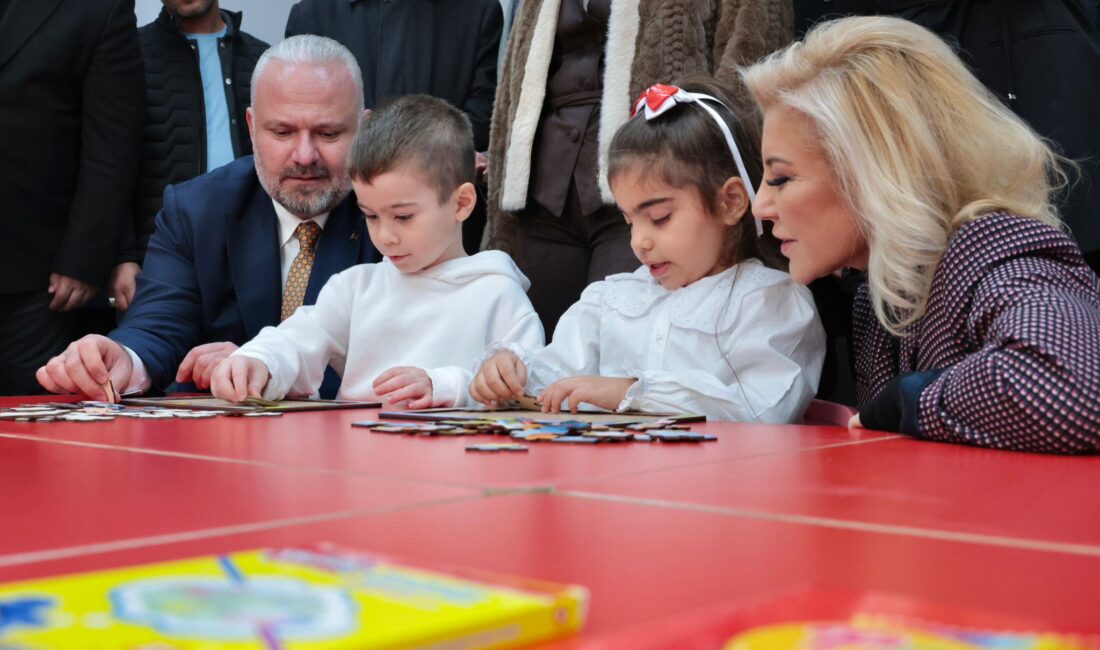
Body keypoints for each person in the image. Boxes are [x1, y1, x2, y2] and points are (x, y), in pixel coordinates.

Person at [742, 16, 1100, 453]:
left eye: (780, 179)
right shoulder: (880, 291)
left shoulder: (996, 249)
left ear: (875, 172)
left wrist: (906, 401)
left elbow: (1076, 387)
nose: (760, 206)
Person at [36, 35, 379, 401]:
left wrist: (264, 368)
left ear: (364, 129)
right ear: (251, 126)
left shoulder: (400, 214)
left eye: (328, 133)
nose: (305, 155)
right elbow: (158, 325)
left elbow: (411, 355)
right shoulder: (196, 209)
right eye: (282, 132)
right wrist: (124, 358)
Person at [471, 80, 823, 423]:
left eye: (659, 217)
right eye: (629, 220)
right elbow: (557, 376)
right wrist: (512, 374)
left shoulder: (770, 303)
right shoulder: (609, 302)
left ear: (730, 202)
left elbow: (764, 412)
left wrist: (634, 393)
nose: (639, 241)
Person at [485, 0, 793, 336]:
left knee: (640, 338)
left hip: (663, 174)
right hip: (543, 186)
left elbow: (749, 53)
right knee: (538, 342)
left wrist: (713, 153)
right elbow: (515, 77)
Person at [211, 95, 543, 407]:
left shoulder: (498, 293)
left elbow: (528, 390)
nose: (385, 236)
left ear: (461, 203)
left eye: (403, 217)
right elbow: (298, 339)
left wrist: (445, 386)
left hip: (452, 463)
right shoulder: (355, 288)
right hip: (352, 458)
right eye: (370, 215)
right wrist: (259, 361)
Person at [0, 0, 144, 395]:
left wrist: (85, 257)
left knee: (31, 433)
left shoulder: (99, 8)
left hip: (36, 281)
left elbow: (113, 144)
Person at [109, 0, 269, 313]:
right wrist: (121, 257)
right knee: (157, 356)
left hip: (253, 256)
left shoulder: (263, 60)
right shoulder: (129, 56)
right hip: (159, 259)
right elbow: (110, 165)